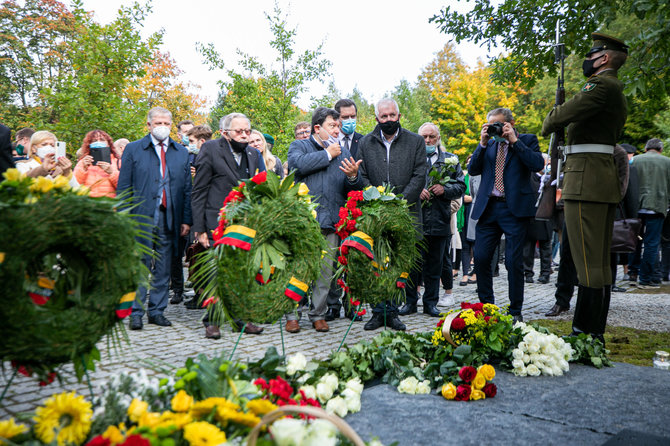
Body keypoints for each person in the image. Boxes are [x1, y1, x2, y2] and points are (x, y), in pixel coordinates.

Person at [541, 33, 629, 342]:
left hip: (586, 181)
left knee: (586, 262)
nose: (588, 59)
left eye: (592, 54)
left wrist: (553, 113)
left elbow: (557, 118)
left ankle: (584, 335)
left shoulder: (600, 86)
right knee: (600, 262)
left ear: (604, 58)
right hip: (599, 179)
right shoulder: (615, 89)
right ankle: (594, 332)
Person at [285, 107, 362, 333]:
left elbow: (354, 187)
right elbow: (298, 165)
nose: (337, 130)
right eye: (332, 126)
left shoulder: (344, 152)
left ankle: (318, 314)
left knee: (325, 272)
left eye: (338, 126)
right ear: (317, 128)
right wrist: (329, 154)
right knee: (299, 270)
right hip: (304, 222)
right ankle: (292, 315)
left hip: (331, 221)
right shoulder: (300, 145)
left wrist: (353, 177)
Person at [117, 107, 193, 331]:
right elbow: (124, 187)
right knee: (139, 266)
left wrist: (186, 220)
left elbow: (187, 189)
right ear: (149, 125)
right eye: (158, 123)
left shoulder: (180, 152)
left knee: (164, 267)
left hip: (170, 217)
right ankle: (136, 312)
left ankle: (157, 310)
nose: (162, 127)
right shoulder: (133, 149)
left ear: (171, 126)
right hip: (141, 216)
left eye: (166, 124)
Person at [190, 112, 265, 338]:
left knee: (242, 273)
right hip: (216, 223)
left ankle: (241, 318)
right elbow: (199, 190)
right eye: (239, 132)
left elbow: (261, 188)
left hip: (245, 224)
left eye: (247, 131)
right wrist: (200, 229)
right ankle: (212, 321)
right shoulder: (211, 149)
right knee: (216, 274)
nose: (244, 136)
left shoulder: (253, 153)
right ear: (225, 133)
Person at [357, 98, 426, 331]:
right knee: (376, 262)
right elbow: (362, 175)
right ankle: (377, 313)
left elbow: (419, 175)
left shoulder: (415, 141)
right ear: (377, 118)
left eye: (392, 115)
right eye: (383, 116)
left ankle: (394, 313)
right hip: (376, 214)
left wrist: (400, 202)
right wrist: (376, 199)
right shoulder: (365, 142)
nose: (388, 120)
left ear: (399, 115)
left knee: (398, 264)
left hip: (406, 212)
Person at [469, 107, 544, 323]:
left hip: (515, 209)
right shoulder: (489, 144)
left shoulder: (526, 140)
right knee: (482, 258)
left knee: (513, 261)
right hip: (489, 207)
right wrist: (482, 143)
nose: (496, 129)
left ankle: (515, 310)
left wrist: (514, 141)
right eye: (491, 124)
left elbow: (537, 164)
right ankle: (486, 307)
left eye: (499, 124)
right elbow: (473, 169)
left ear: (510, 123)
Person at [399, 122, 465, 318]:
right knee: (412, 265)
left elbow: (461, 186)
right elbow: (401, 184)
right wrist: (415, 192)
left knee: (435, 266)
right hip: (414, 220)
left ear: (438, 138)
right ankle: (410, 302)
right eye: (424, 137)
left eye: (431, 137)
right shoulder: (410, 159)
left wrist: (445, 190)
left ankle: (430, 303)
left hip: (439, 219)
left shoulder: (450, 160)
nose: (427, 140)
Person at [325, 98, 365, 321]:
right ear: (336, 119)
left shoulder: (364, 141)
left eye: (353, 117)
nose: (350, 121)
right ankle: (332, 305)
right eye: (345, 118)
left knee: (354, 259)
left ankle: (352, 304)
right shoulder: (328, 142)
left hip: (357, 209)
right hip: (333, 207)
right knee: (332, 260)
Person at [630, 138, 670, 289]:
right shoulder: (667, 162)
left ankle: (632, 273)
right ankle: (646, 278)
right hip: (657, 206)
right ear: (660, 149)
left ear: (646, 148)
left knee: (634, 241)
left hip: (636, 206)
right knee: (652, 244)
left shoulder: (634, 160)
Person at [523, 154, 553, 284]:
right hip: (531, 215)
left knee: (546, 246)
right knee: (528, 247)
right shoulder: (529, 176)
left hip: (546, 216)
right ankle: (528, 273)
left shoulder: (551, 178)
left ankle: (545, 273)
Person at [73, 130, 119, 198]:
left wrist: (112, 172)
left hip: (110, 205)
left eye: (102, 140)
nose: (98, 142)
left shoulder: (117, 162)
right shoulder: (83, 162)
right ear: (89, 144)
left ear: (108, 144)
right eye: (94, 141)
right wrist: (83, 168)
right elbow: (74, 186)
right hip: (88, 204)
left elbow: (123, 187)